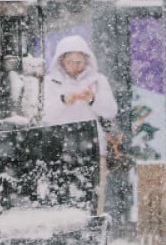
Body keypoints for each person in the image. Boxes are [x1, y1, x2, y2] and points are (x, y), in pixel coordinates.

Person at [44, 35, 119, 215]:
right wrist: (62, 100)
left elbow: (110, 110)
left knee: (94, 195)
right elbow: (45, 115)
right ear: (61, 61)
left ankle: (94, 226)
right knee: (61, 195)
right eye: (70, 61)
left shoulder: (98, 81)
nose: (75, 66)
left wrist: (93, 99)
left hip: (93, 148)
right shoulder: (49, 82)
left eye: (79, 61)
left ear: (87, 60)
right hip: (60, 149)